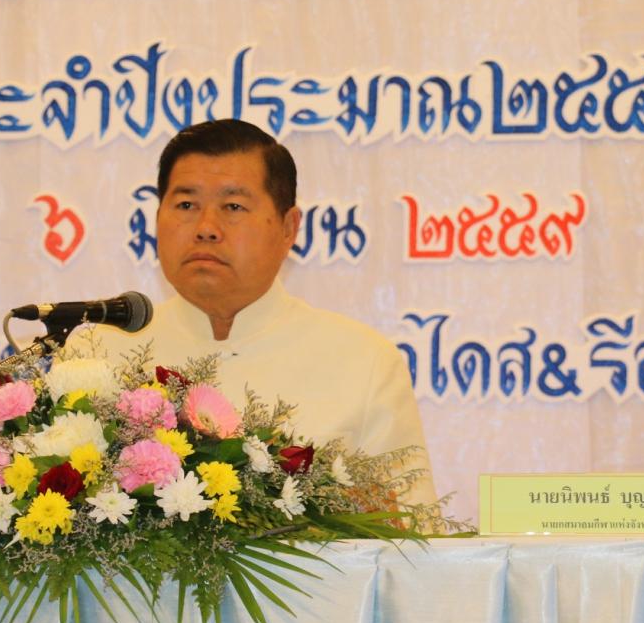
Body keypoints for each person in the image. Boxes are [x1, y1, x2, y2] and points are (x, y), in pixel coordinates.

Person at [76, 119, 437, 506]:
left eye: (233, 206)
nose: (206, 228)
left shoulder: (364, 362)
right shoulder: (97, 354)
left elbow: (410, 528)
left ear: (288, 227)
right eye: (186, 205)